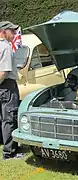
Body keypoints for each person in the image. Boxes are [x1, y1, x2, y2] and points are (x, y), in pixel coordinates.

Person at [0, 21, 25, 160]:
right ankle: (10, 152)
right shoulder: (6, 47)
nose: (14, 34)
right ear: (4, 31)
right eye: (12, 31)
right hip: (7, 85)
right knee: (10, 118)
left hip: (2, 85)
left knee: (3, 118)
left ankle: (8, 146)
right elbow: (4, 72)